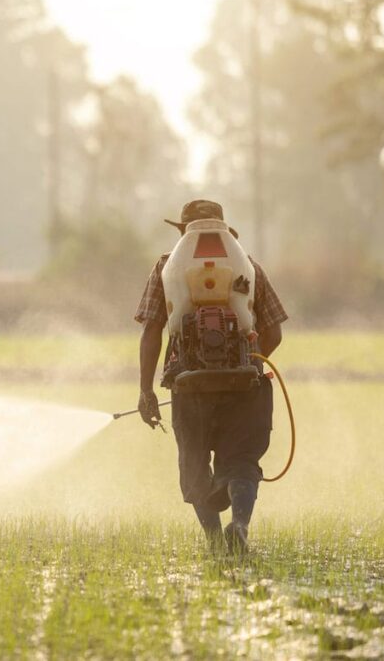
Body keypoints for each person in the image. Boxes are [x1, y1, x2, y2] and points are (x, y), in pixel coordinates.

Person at [134, 199, 288, 554]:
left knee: (195, 465)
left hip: (189, 386)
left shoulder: (166, 269)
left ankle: (216, 543)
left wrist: (146, 390)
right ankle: (241, 526)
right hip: (245, 384)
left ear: (182, 232)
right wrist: (247, 360)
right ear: (224, 230)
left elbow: (151, 330)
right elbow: (274, 333)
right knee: (242, 461)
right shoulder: (248, 268)